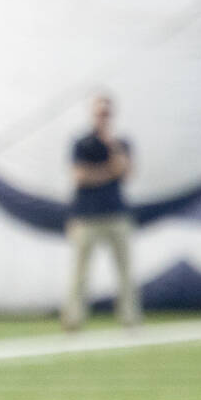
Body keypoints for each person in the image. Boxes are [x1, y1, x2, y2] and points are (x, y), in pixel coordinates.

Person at [60, 93, 139, 331]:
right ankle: (73, 319)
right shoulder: (82, 143)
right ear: (92, 114)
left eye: (106, 113)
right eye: (99, 112)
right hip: (86, 216)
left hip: (116, 213)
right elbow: (80, 176)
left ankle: (130, 317)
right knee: (80, 273)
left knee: (125, 271)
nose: (102, 117)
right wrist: (107, 172)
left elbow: (125, 172)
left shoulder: (120, 143)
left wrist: (110, 146)